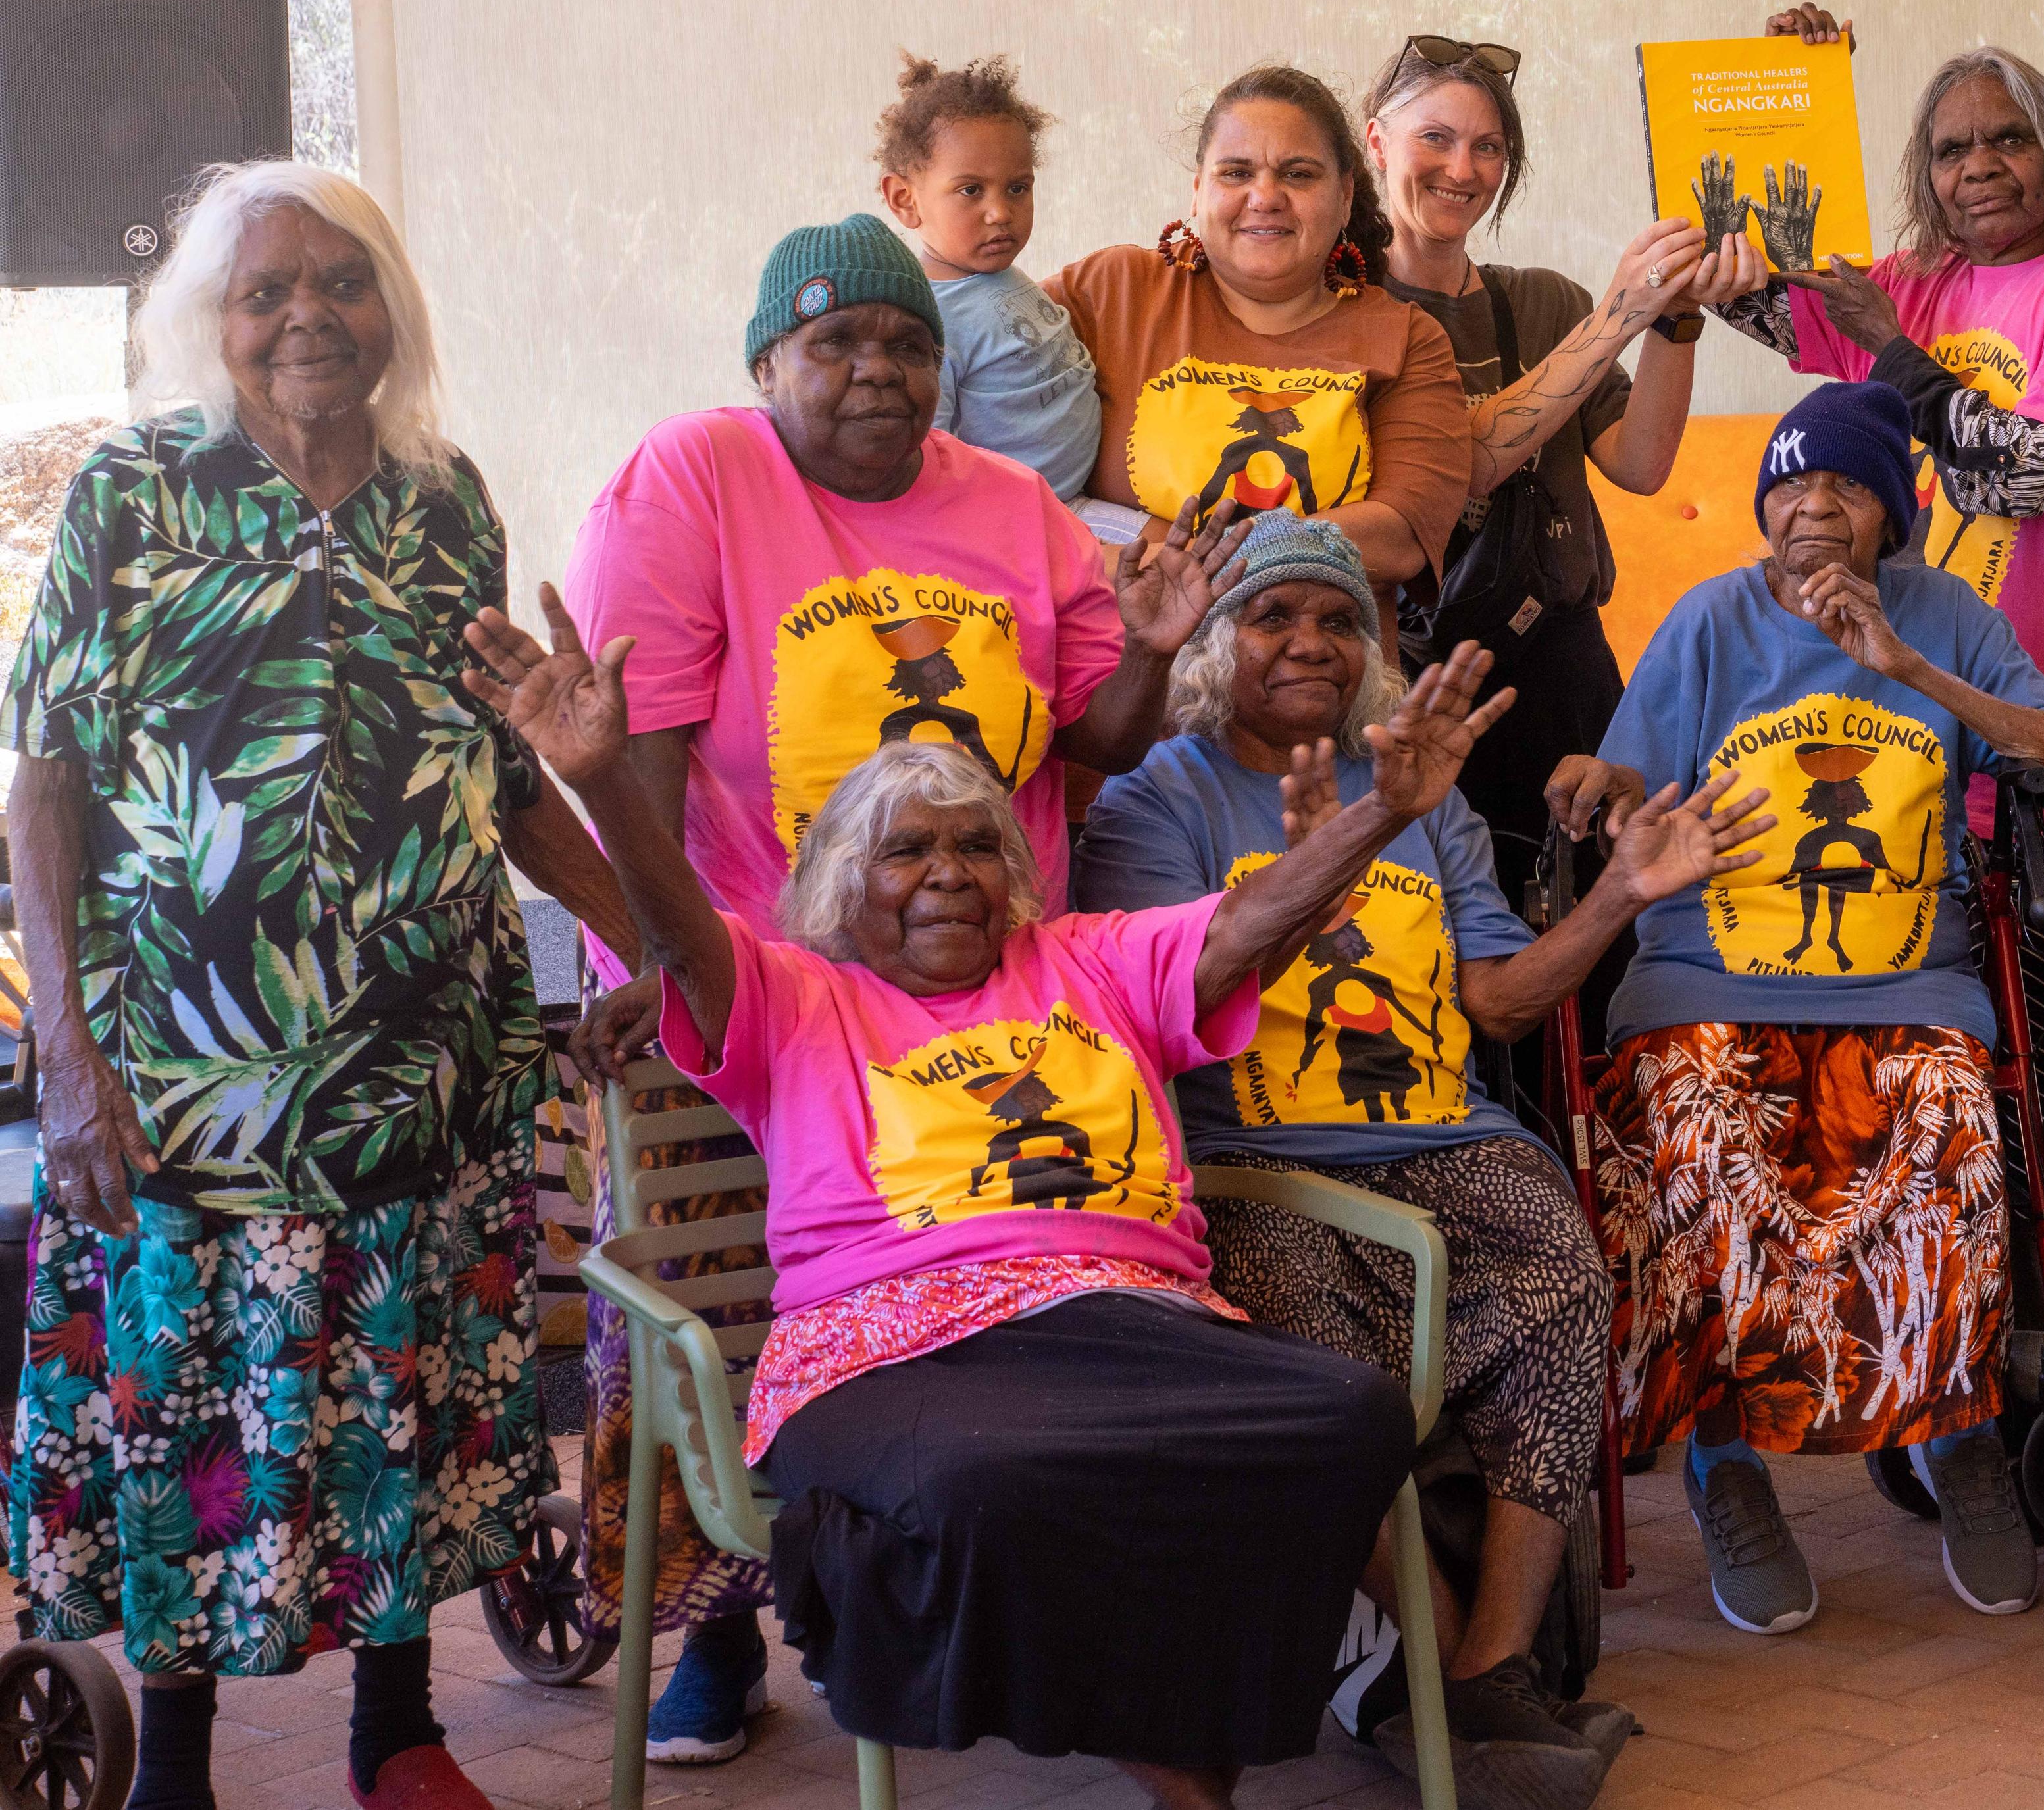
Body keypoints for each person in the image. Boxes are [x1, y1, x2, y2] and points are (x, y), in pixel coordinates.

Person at [459, 588, 1499, 1810]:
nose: (947, 873)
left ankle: (1286, 1732)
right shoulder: (793, 995)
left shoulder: (1092, 960)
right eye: (906, 849)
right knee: (983, 1480)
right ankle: (1190, 1784)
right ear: (844, 881)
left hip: (1140, 1320)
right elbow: (682, 936)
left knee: (1349, 1412)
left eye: (976, 846)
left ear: (1015, 873)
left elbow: (1252, 920)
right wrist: (602, 777)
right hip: (893, 1345)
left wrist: (1384, 811)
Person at [1, 161, 640, 1810]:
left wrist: (643, 934)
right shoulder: (136, 492)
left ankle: (396, 1732)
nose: (308, 316)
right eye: (266, 290)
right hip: (192, 1078)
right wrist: (67, 1055)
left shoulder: (447, 500)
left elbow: (501, 774)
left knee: (402, 1391)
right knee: (189, 1406)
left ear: (391, 308)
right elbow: (45, 778)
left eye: (342, 283)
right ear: (210, 322)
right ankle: (181, 1763)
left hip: (426, 1066)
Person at [559, 213, 1227, 1763]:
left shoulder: (1012, 505)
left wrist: (1150, 652)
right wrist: (651, 962)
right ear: (765, 363)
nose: (876, 370)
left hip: (969, 971)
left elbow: (1099, 729)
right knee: (714, 1291)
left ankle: (950, 1581)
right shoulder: (693, 477)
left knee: (947, 1268)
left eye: (908, 344)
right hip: (750, 977)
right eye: (835, 342)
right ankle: (717, 1631)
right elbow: (634, 754)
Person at [1077, 517, 1772, 1810]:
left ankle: (1489, 1663)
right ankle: (1458, 1674)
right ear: (1216, 644)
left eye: (1340, 619)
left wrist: (1621, 894)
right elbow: (1177, 997)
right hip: (1254, 1162)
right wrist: (1322, 870)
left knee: (1562, 1264)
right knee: (1317, 1358)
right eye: (1274, 614)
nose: (1312, 641)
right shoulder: (1156, 800)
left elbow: (1499, 1000)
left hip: (1444, 1139)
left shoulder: (1423, 790)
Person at [1544, 381, 2044, 1632]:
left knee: (1944, 1120)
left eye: (1843, 486)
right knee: (1693, 1130)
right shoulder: (1710, 619)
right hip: (1705, 971)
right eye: (1789, 484)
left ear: (1892, 511)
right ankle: (1725, 1460)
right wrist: (1596, 780)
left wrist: (1907, 667)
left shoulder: (1948, 616)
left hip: (1908, 978)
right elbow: (1629, 774)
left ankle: (1959, 1434)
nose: (1812, 507)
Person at [1360, 32, 1763, 870]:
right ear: (1376, 143)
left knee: (1594, 903)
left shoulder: (1543, 302)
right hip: (1418, 671)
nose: (1463, 169)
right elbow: (1461, 463)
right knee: (1444, 913)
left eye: (1488, 147)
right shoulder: (1345, 316)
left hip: (1562, 662)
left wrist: (1673, 315)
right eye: (1435, 138)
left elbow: (1640, 465)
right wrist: (1618, 313)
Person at [1726, 4, 2044, 744]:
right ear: (1927, 175)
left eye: (2010, 139)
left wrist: (1889, 345)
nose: (1979, 166)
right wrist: (1787, 93)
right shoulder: (1904, 282)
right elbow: (1736, 286)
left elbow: (2027, 478)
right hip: (1891, 706)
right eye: (1951, 150)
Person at [1044, 64, 1471, 609]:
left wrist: (1159, 557)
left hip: (1316, 656)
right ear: (1198, 191)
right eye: (1236, 173)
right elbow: (966, 356)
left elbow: (1398, 536)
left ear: (1345, 196)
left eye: (1298, 174)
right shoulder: (1112, 293)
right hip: (1123, 658)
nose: (1265, 196)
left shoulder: (1406, 339)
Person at [873, 51, 1105, 499]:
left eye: (1017, 188)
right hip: (1029, 517)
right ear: (905, 199)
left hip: (1078, 496)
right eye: (971, 190)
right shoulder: (925, 320)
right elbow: (927, 452)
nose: (1001, 212)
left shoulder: (996, 273)